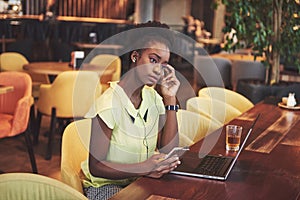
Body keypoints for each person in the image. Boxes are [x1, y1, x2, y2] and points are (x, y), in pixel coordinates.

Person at [81, 21, 181, 200]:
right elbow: (95, 166)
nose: (158, 69)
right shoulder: (109, 103)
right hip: (107, 187)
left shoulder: (154, 98)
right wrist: (144, 167)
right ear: (135, 56)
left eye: (164, 64)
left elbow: (168, 150)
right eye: (153, 60)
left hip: (142, 181)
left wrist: (170, 99)